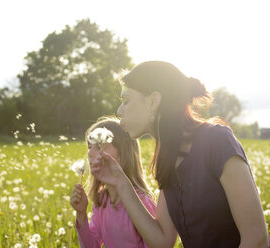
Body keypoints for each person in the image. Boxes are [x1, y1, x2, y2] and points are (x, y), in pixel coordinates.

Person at [91, 61, 269, 248]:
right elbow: (162, 240)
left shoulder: (217, 141)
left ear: (153, 101)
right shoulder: (166, 158)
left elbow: (256, 240)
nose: (119, 111)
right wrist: (120, 182)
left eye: (126, 101)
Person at [70, 116, 156, 248]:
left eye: (99, 147)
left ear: (122, 156)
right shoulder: (102, 201)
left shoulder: (142, 202)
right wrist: (81, 214)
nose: (90, 153)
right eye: (89, 146)